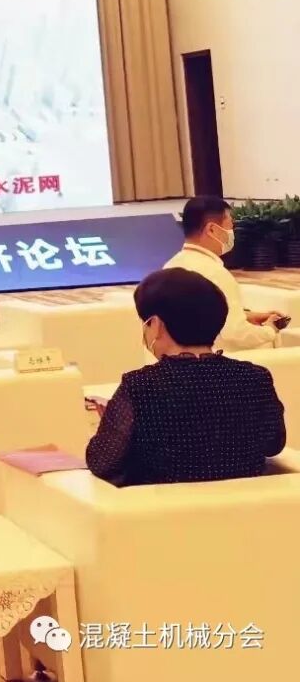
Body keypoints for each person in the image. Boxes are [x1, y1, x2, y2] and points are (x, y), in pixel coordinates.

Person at [86, 268, 285, 486]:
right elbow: (273, 444)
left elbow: (102, 462)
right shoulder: (255, 378)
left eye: (146, 323)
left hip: (160, 505)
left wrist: (113, 424)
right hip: (249, 504)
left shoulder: (140, 386)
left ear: (156, 324)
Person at [164, 195, 287, 350]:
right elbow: (236, 334)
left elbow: (198, 317)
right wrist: (270, 329)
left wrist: (246, 316)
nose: (232, 233)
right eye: (230, 227)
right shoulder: (215, 274)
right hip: (215, 358)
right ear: (212, 229)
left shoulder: (170, 267)